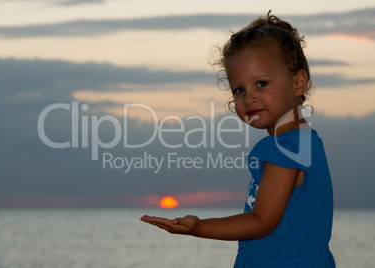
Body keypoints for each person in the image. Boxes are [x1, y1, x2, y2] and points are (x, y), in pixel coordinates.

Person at [141, 11, 335, 267]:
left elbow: (261, 222)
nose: (249, 97)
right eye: (240, 90)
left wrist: (199, 227)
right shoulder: (306, 141)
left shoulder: (288, 147)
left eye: (262, 84)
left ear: (298, 83)